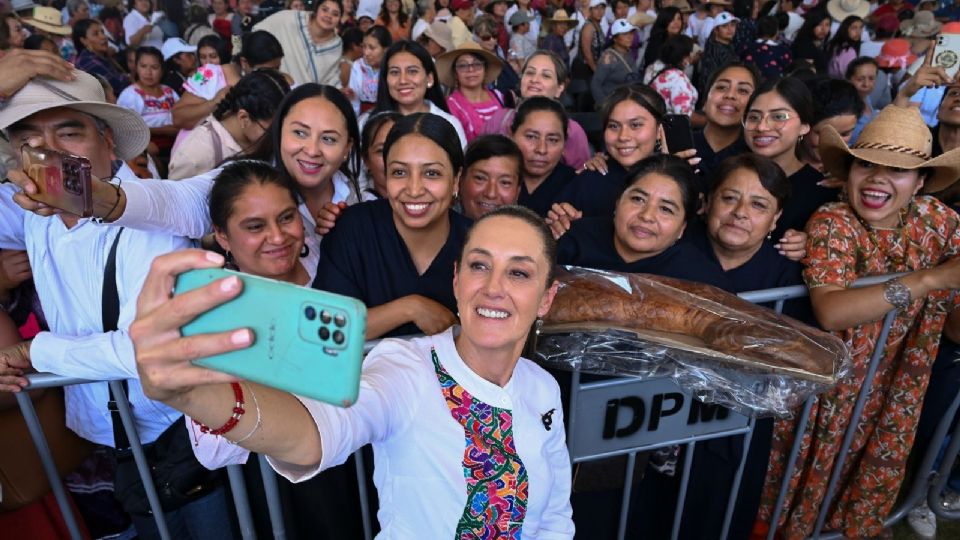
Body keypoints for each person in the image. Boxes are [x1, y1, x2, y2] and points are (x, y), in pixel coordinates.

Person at [130, 201, 575, 538]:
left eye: (519, 274)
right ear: (457, 279)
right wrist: (187, 393)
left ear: (547, 298)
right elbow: (316, 432)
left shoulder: (542, 388)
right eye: (480, 266)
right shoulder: (407, 368)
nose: (494, 288)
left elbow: (555, 516)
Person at [0, 69, 234, 540]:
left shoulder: (155, 218)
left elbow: (147, 348)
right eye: (29, 139)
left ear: (108, 141)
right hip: (100, 434)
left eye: (69, 132)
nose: (49, 152)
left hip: (177, 428)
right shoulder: (32, 210)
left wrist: (34, 353)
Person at [755, 105, 960, 539]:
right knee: (798, 485)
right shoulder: (833, 221)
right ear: (848, 172)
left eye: (898, 170)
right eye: (867, 164)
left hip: (897, 386)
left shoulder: (938, 221)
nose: (878, 178)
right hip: (829, 390)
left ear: (921, 183)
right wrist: (929, 279)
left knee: (862, 488)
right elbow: (832, 309)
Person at [313, 113, 471, 339]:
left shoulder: (476, 243)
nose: (414, 189)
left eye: (431, 173)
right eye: (399, 172)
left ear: (456, 179)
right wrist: (410, 308)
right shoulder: (352, 230)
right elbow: (325, 328)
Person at [555, 154, 731, 288]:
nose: (647, 216)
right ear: (617, 202)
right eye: (638, 199)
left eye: (665, 209)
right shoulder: (573, 240)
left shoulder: (700, 279)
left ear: (682, 228)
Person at [552, 84, 667, 225]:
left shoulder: (677, 182)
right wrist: (559, 222)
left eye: (635, 125)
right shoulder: (588, 183)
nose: (623, 136)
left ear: (659, 130)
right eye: (613, 126)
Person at [743, 77, 828, 242]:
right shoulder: (725, 175)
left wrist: (813, 243)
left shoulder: (821, 191)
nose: (762, 127)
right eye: (754, 117)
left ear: (804, 126)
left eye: (779, 117)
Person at [479, 51, 592, 170]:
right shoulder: (499, 119)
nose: (534, 79)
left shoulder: (572, 131)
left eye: (546, 76)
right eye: (530, 73)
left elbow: (579, 177)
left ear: (560, 88)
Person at [169, 70, 291, 180]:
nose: (279, 137)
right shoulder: (196, 156)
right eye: (271, 131)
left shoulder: (260, 138)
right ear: (244, 118)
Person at [172, 31, 286, 132]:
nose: (273, 75)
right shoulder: (208, 73)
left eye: (277, 68)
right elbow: (177, 118)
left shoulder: (278, 81)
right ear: (244, 62)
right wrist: (215, 103)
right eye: (265, 70)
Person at [367, 40, 467, 147]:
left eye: (412, 71)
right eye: (395, 72)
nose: (403, 80)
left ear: (429, 78)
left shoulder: (450, 124)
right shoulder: (369, 124)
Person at [510, 96, 576, 217]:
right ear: (511, 135)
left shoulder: (576, 185)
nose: (541, 149)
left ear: (564, 144)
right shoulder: (496, 178)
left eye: (552, 140)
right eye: (531, 137)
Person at [253, 0, 344, 86]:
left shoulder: (336, 45)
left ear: (340, 19)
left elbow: (331, 78)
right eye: (325, 10)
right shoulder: (290, 20)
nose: (328, 16)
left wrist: (340, 90)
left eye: (335, 14)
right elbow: (257, 32)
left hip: (308, 98)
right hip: (274, 87)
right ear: (316, 10)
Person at [693, 62, 756, 180]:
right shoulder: (676, 147)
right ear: (705, 102)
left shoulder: (757, 158)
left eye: (743, 90)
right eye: (721, 87)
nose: (730, 95)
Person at [117, 46, 180, 158]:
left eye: (154, 67)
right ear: (136, 67)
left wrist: (151, 130)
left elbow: (182, 121)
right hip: (147, 149)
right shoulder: (129, 95)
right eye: (143, 66)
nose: (148, 72)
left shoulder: (170, 92)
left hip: (178, 144)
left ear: (162, 70)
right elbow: (125, 131)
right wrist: (163, 131)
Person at [440, 41, 506, 143]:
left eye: (477, 64)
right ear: (455, 73)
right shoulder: (450, 106)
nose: (471, 69)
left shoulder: (499, 96)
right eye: (463, 65)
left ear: (485, 69)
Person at [799, 77, 863, 176]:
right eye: (824, 133)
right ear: (802, 127)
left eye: (845, 134)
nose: (834, 142)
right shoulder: (777, 167)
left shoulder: (856, 170)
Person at [457, 134, 523, 220]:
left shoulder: (529, 232)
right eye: (480, 178)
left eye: (505, 182)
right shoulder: (441, 231)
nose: (491, 194)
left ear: (518, 191)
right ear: (460, 181)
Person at [72, 18, 130, 96]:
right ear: (84, 40)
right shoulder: (86, 61)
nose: (103, 37)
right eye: (96, 34)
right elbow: (118, 86)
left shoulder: (101, 55)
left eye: (102, 32)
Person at [590, 19, 640, 106]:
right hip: (612, 105)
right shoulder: (608, 58)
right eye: (625, 34)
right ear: (615, 38)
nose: (630, 37)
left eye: (631, 33)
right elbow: (595, 84)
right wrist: (605, 105)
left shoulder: (628, 53)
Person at [648, 34, 699, 116]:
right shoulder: (678, 79)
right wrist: (707, 120)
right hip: (671, 126)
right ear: (685, 57)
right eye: (691, 52)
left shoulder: (653, 67)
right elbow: (685, 116)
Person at [348, 25, 391, 116]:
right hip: (363, 115)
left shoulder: (392, 68)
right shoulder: (358, 66)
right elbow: (354, 101)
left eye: (372, 48)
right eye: (364, 47)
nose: (366, 53)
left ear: (385, 50)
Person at [358, 111, 401, 198]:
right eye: (381, 151)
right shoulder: (355, 209)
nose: (392, 158)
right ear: (366, 160)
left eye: (401, 148)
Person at [739, 15, 791, 81]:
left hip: (746, 82)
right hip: (771, 86)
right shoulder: (784, 51)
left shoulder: (746, 47)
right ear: (776, 32)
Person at [697, 11, 738, 93]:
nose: (730, 29)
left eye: (732, 25)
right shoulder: (717, 50)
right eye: (724, 26)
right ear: (716, 30)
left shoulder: (715, 45)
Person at [846, 56, 878, 143]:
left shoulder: (866, 97)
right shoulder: (846, 106)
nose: (866, 84)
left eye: (871, 79)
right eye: (860, 79)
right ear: (848, 80)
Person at [642, 6, 683, 71]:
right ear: (664, 21)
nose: (676, 23)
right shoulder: (656, 42)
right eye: (672, 20)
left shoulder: (679, 39)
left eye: (679, 19)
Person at [790, 9, 829, 73]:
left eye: (827, 25)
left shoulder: (823, 45)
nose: (824, 29)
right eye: (819, 24)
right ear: (812, 24)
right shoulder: (804, 45)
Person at [825, 15, 862, 79]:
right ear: (845, 28)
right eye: (854, 28)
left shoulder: (834, 43)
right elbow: (847, 76)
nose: (858, 32)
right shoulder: (849, 51)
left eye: (861, 27)